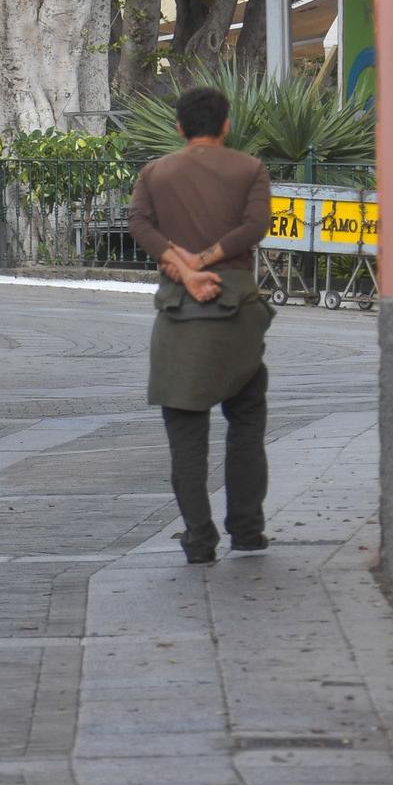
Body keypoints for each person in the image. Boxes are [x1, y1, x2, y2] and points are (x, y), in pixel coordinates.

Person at [127, 85, 275, 566]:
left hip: (178, 312)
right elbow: (255, 227)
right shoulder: (250, 170)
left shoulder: (155, 173)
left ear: (179, 128)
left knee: (186, 436)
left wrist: (184, 268)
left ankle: (198, 538)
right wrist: (210, 258)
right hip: (237, 312)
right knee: (246, 421)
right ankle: (248, 531)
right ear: (226, 125)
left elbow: (139, 224)